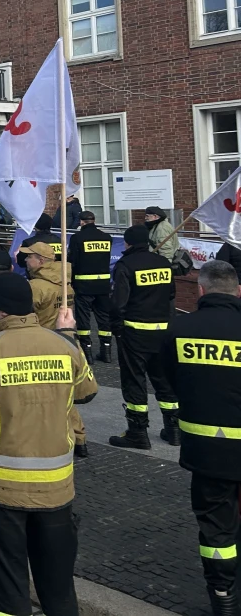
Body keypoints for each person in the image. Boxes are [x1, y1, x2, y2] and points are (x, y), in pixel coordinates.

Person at [0, 272, 98, 616]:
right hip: (57, 487)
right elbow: (87, 392)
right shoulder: (64, 346)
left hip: (0, 489)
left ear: (0, 309)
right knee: (58, 586)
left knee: (9, 581)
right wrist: (68, 335)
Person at [161, 261, 241, 616]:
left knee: (216, 528)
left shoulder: (180, 329)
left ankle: (223, 594)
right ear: (237, 291)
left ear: (202, 291)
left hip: (208, 452)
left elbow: (167, 379)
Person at [109, 224, 178, 450]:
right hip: (163, 331)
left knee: (134, 380)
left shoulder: (125, 265)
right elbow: (171, 295)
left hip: (135, 332)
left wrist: (117, 328)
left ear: (127, 243)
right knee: (164, 380)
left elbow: (119, 302)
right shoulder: (163, 263)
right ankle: (174, 429)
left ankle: (138, 432)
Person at [19, 241, 88, 457]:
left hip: (40, 343)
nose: (26, 260)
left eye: (29, 257)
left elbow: (23, 315)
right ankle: (80, 437)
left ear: (41, 261)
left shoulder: (36, 287)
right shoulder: (65, 283)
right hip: (64, 340)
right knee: (66, 394)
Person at [67, 210, 114, 362]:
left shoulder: (77, 238)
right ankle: (106, 351)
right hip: (103, 285)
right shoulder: (106, 237)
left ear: (81, 222)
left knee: (84, 319)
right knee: (104, 318)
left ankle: (87, 353)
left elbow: (72, 260)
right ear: (93, 220)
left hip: (83, 285)